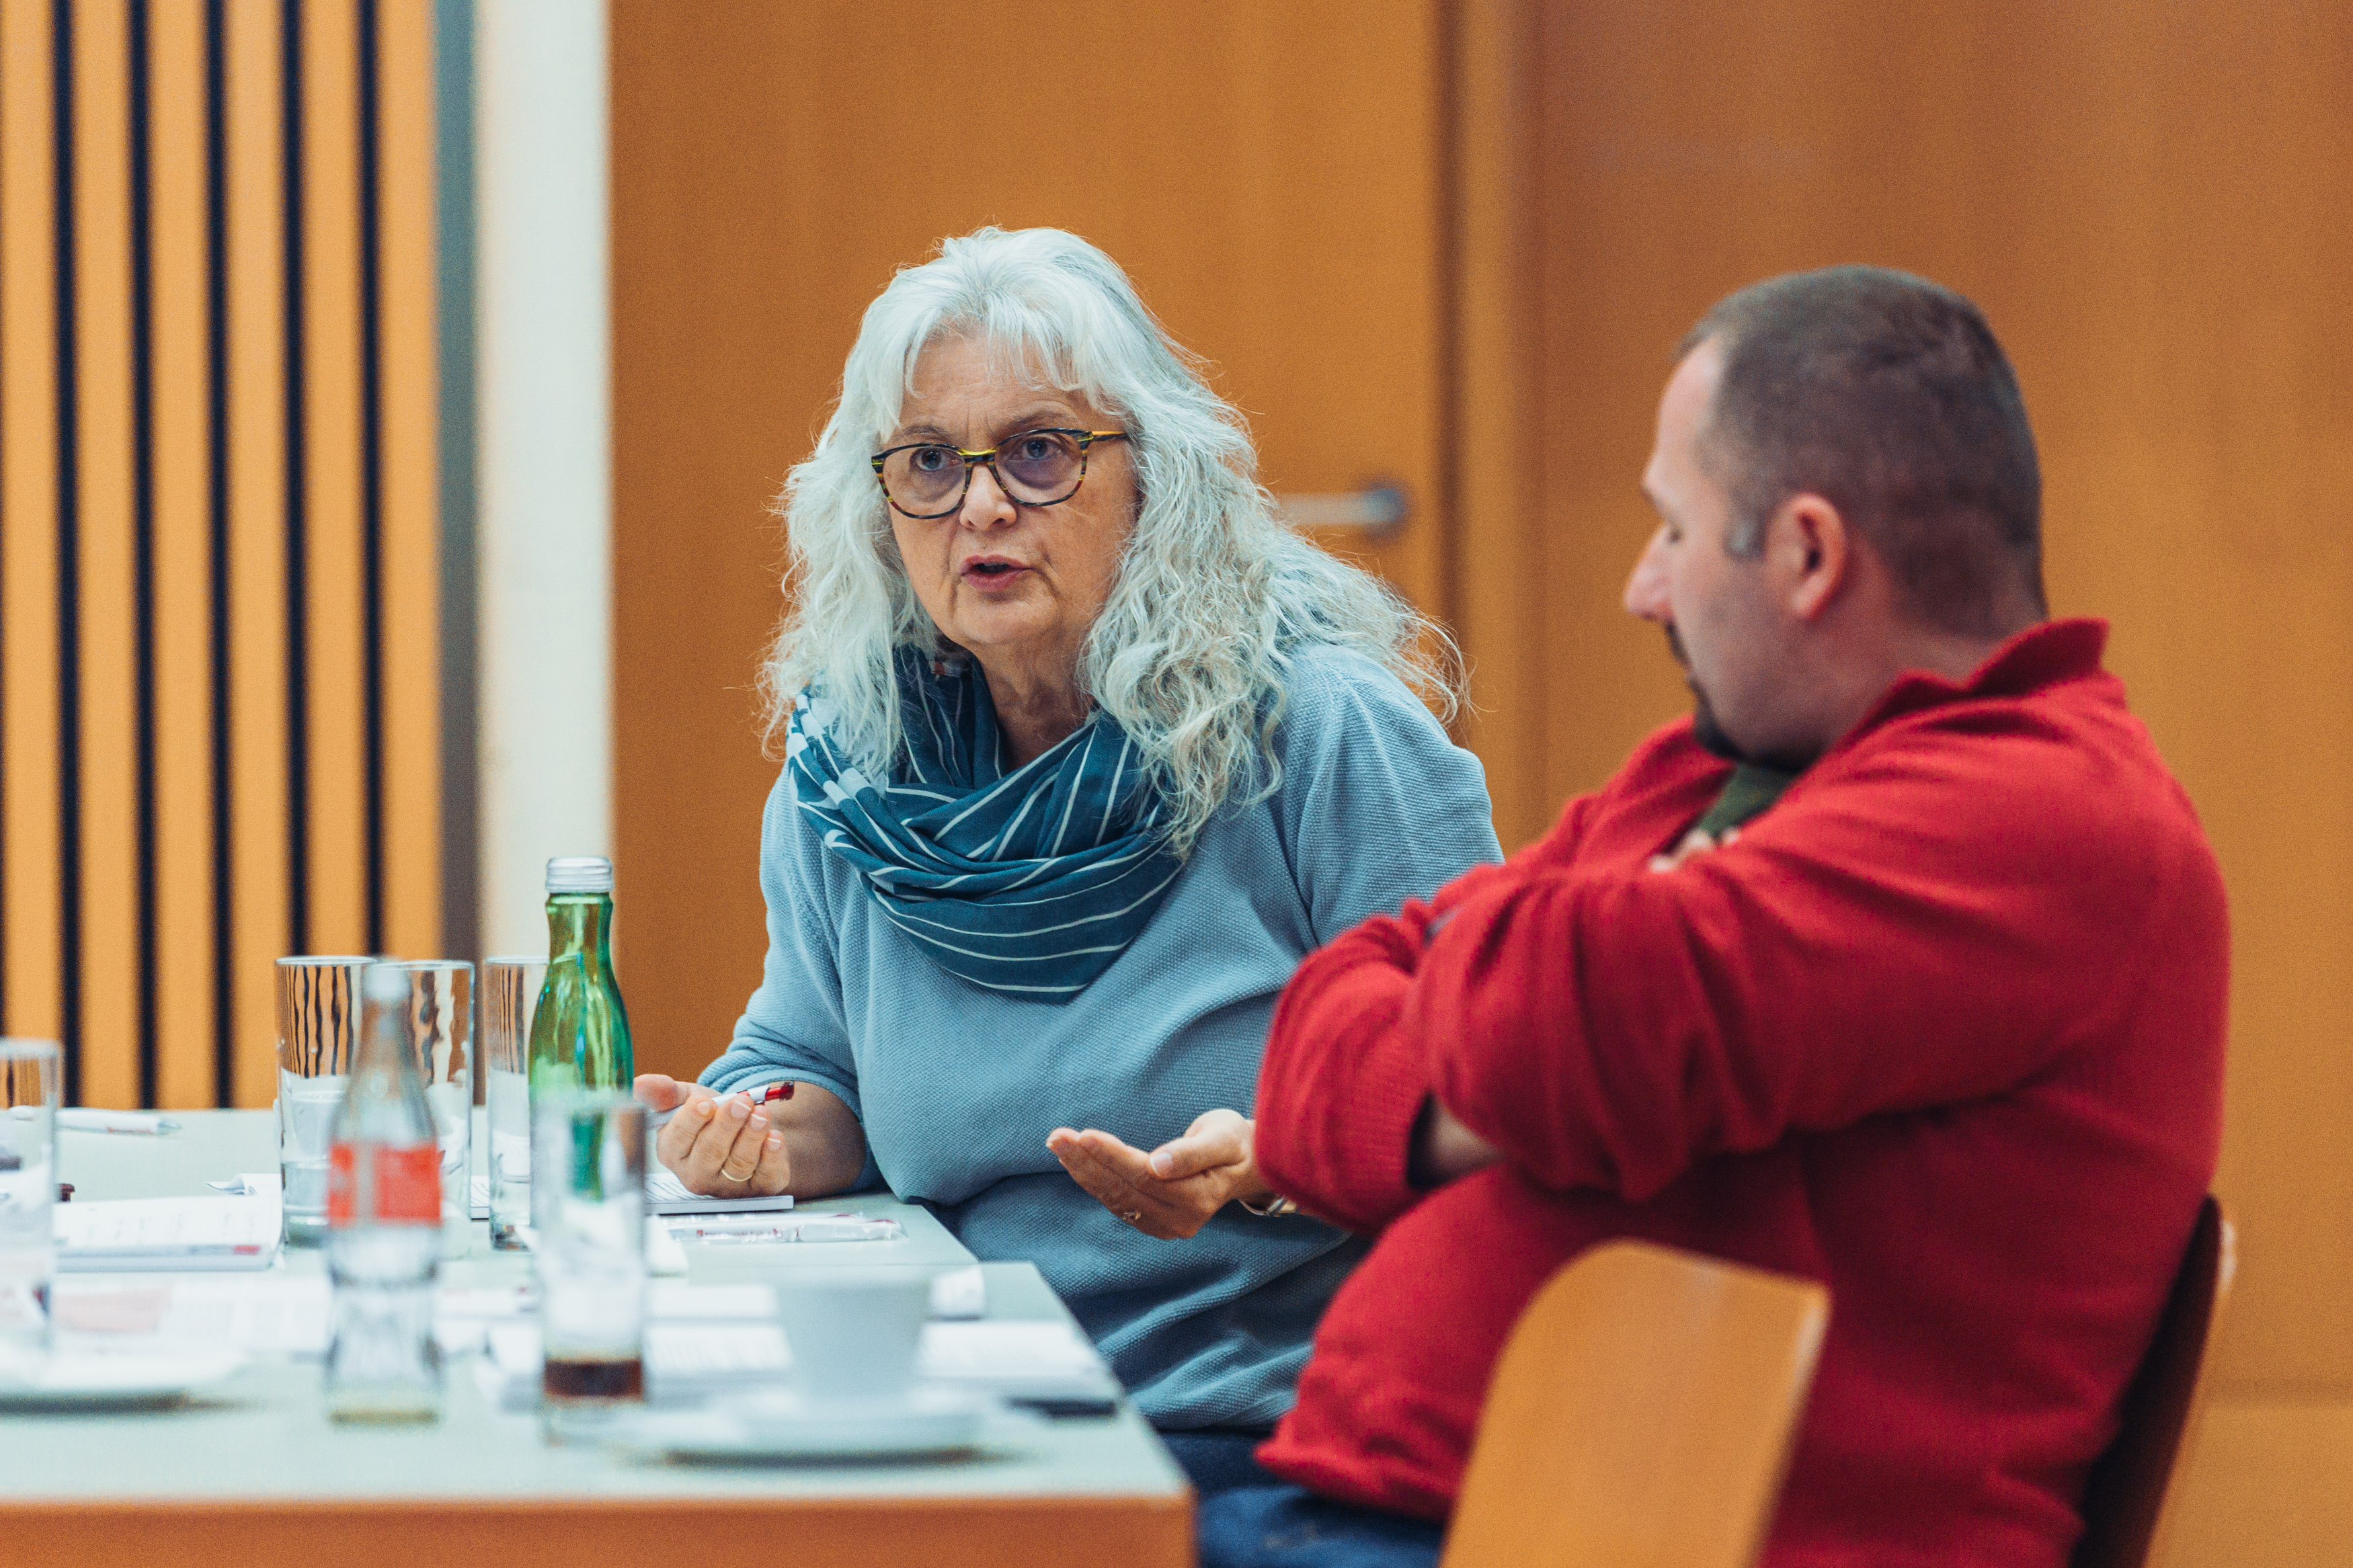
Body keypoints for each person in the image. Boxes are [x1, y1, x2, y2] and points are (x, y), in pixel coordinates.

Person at [1206, 265, 2228, 1567]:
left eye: (1673, 531)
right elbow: (1324, 1038)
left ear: (1807, 554)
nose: (1645, 589)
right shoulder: (1722, 772)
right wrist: (1500, 1060)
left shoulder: (2046, 818)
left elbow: (1547, 1030)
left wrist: (1490, 1027)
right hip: (1411, 1511)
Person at [631, 226, 1501, 1484]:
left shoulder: (1319, 735)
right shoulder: (855, 778)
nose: (981, 505)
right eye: (929, 461)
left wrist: (1276, 1156)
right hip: (954, 1405)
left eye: (1039, 452)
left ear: (1151, 479)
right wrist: (755, 1136)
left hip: (1259, 1426)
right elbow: (817, 1071)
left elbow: (1493, 1087)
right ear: (880, 508)